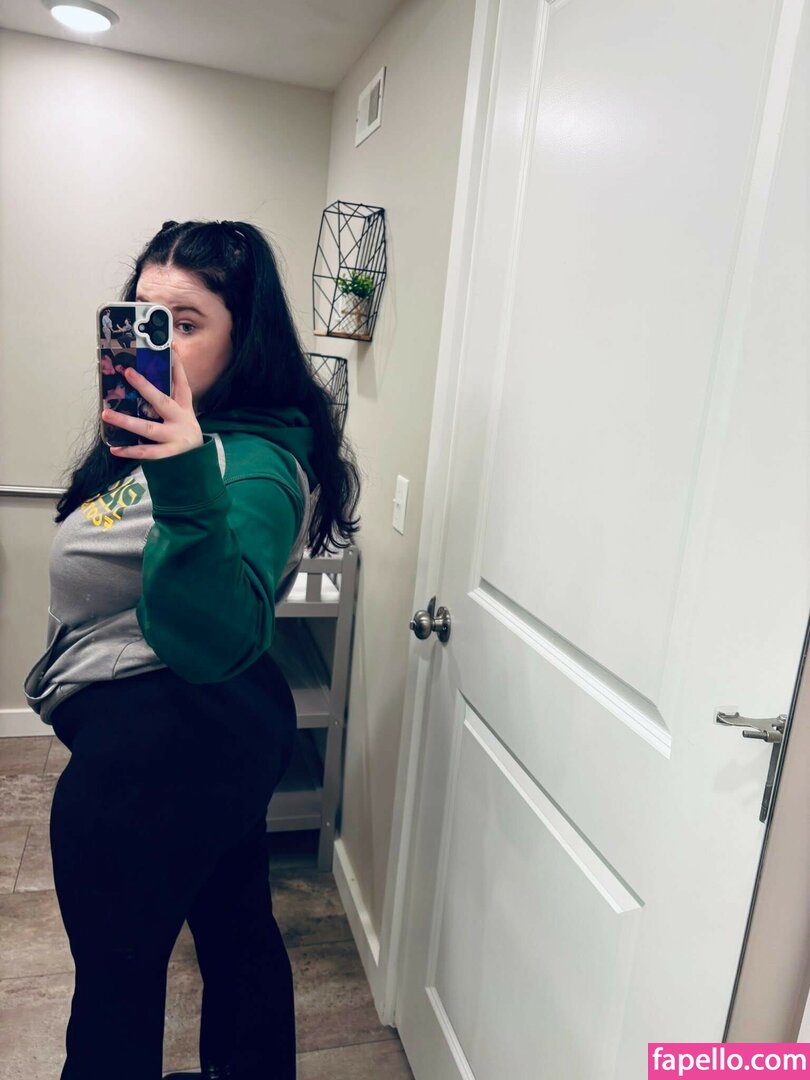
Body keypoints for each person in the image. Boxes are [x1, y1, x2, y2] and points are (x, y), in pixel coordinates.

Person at [23, 219, 361, 1080]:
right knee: (238, 938)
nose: (156, 340)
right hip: (204, 736)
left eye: (186, 321)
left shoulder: (251, 466)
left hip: (168, 751)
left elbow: (211, 634)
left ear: (245, 338)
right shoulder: (179, 430)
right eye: (142, 315)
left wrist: (180, 474)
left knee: (115, 992)